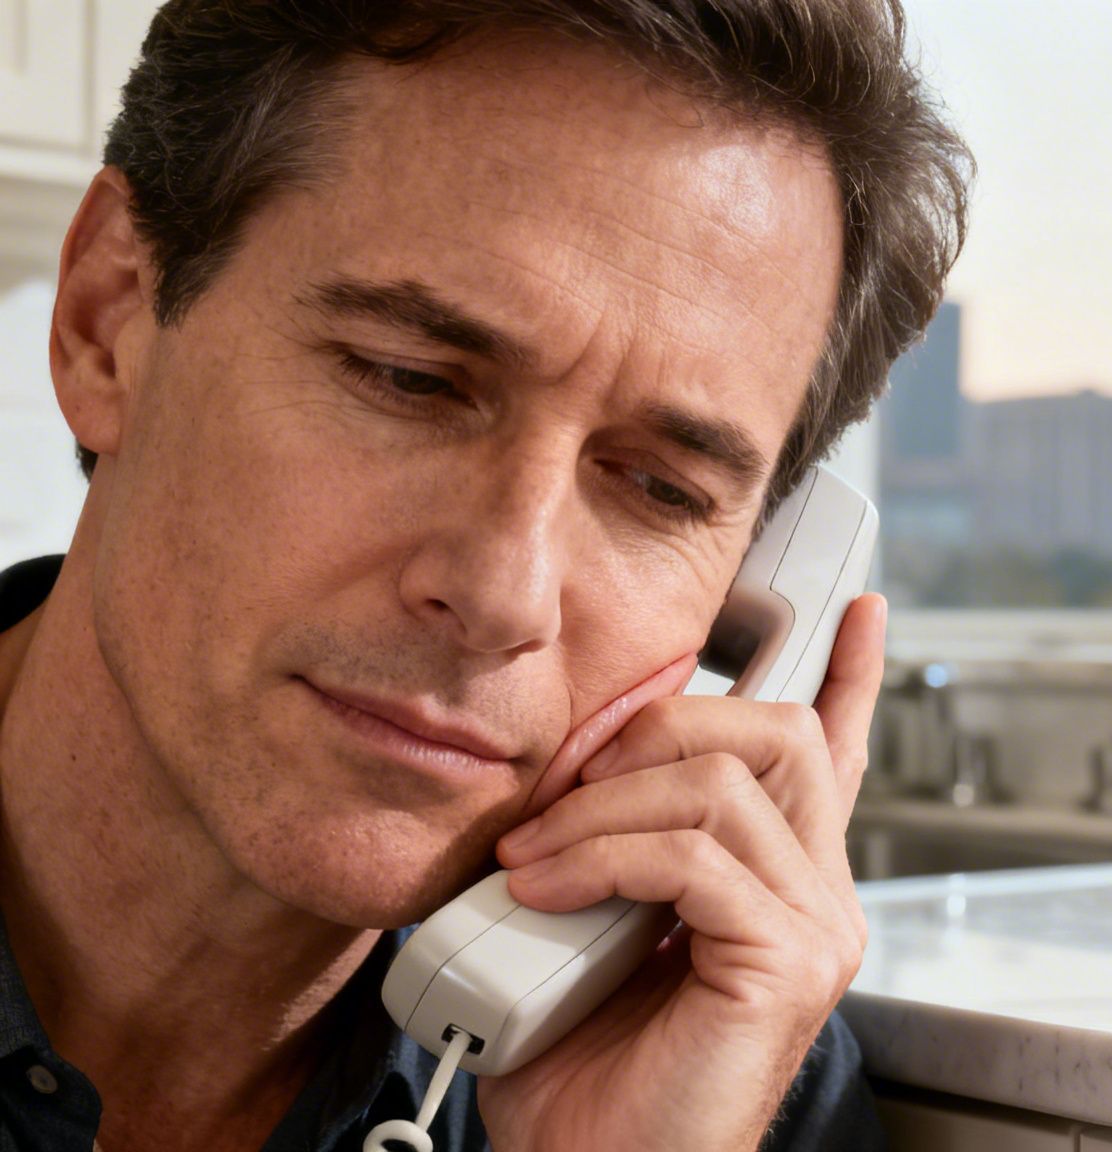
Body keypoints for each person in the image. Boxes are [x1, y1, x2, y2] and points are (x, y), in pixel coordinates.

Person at [0, 1, 969, 1148]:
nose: (504, 593)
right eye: (408, 381)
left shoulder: (721, 1071)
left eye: (661, 490)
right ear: (107, 324)